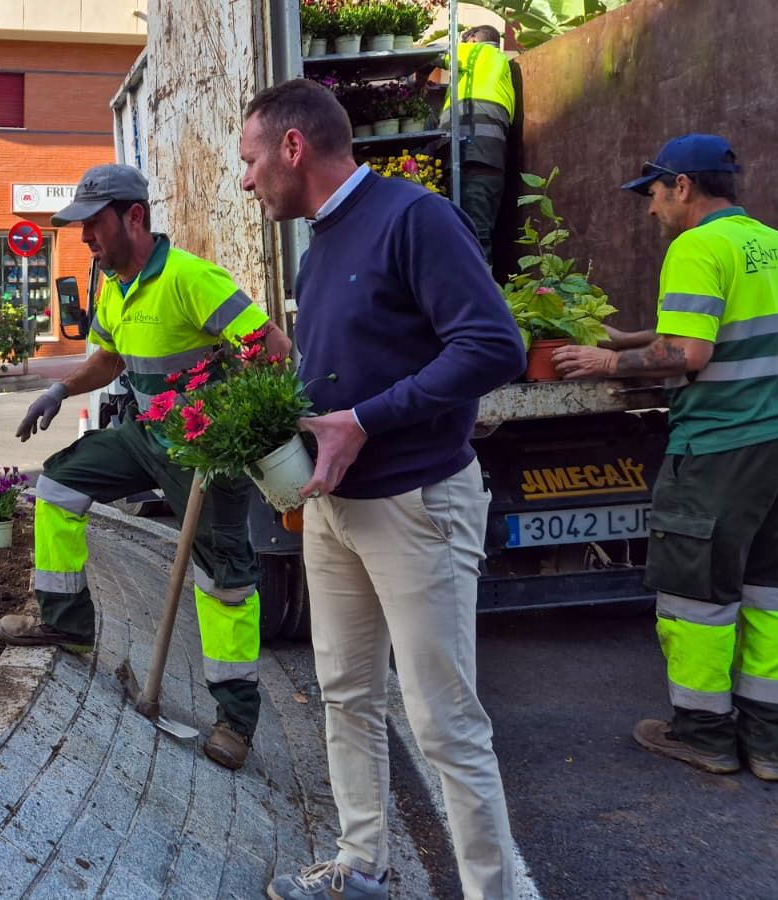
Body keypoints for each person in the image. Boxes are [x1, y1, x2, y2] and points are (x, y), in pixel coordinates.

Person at [239, 79, 526, 900]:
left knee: (444, 722)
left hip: (416, 503)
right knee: (346, 694)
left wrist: (364, 421)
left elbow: (494, 346)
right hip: (336, 507)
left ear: (294, 147)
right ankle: (361, 863)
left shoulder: (414, 218)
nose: (247, 180)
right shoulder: (319, 245)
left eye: (251, 160)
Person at [0, 163, 293, 771]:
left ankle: (235, 721)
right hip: (146, 436)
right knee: (57, 486)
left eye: (94, 224)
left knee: (226, 580)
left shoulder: (190, 277)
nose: (86, 237)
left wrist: (230, 425)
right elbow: (110, 358)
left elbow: (272, 350)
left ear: (134, 216)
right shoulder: (115, 285)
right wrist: (61, 390)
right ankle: (66, 623)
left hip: (205, 453)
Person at [553, 134, 778, 782]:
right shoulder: (769, 242)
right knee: (769, 592)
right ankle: (772, 744)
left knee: (696, 597)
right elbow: (716, 329)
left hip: (727, 443)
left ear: (682, 185)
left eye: (652, 193)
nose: (650, 209)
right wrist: (632, 336)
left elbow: (690, 354)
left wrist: (607, 360)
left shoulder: (696, 246)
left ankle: (703, 734)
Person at [437, 24, 516, 257]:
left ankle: (478, 280)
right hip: (485, 158)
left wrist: (418, 80)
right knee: (475, 232)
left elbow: (433, 53)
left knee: (473, 236)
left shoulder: (478, 52)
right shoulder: (495, 67)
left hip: (473, 156)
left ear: (472, 41)